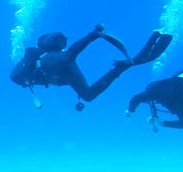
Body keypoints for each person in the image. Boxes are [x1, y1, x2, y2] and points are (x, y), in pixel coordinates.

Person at [10, 24, 172, 110]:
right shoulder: (37, 60)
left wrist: (92, 36)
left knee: (68, 60)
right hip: (59, 72)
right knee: (87, 95)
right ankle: (119, 67)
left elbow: (67, 55)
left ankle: (112, 59)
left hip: (53, 69)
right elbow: (67, 56)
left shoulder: (37, 60)